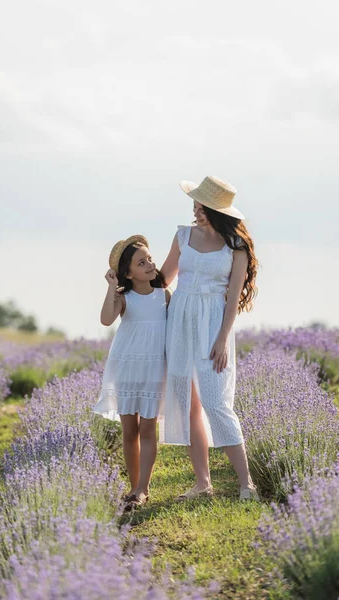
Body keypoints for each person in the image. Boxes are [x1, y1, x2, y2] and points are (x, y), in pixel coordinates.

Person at [160, 175, 259, 501]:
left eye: (204, 207)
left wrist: (222, 339)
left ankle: (247, 484)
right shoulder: (183, 235)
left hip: (215, 323)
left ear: (220, 211)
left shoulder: (236, 246)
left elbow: (232, 298)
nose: (197, 211)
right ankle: (203, 482)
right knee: (185, 400)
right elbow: (164, 279)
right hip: (181, 320)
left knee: (217, 402)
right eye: (196, 205)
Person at [94, 235, 170, 509]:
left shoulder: (165, 296)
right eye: (141, 262)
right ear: (128, 272)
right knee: (130, 431)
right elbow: (105, 319)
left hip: (153, 369)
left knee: (148, 428)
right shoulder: (124, 298)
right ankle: (134, 486)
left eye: (149, 258)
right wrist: (112, 288)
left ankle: (142, 489)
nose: (150, 264)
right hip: (127, 367)